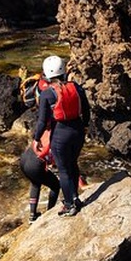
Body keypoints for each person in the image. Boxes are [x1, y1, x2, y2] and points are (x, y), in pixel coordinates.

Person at [33, 55, 90, 217]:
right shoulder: (76, 87)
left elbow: (42, 121)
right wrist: (85, 126)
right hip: (78, 131)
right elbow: (86, 110)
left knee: (64, 170)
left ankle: (70, 204)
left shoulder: (47, 94)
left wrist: (37, 139)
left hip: (60, 135)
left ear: (47, 74)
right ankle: (75, 197)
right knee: (73, 164)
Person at [19, 145, 60, 223]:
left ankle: (32, 215)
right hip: (35, 164)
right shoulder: (56, 140)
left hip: (24, 159)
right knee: (55, 186)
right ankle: (50, 211)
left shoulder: (43, 136)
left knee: (35, 183)